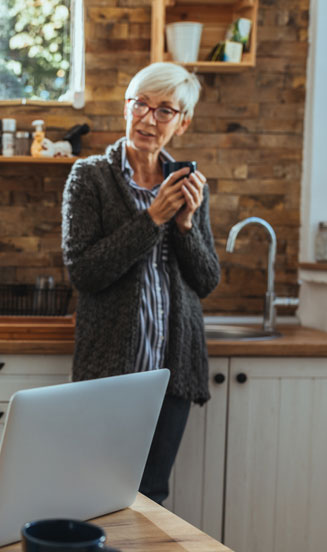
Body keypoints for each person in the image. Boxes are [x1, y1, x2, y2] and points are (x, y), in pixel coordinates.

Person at [61, 62, 220, 504]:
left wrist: (186, 224)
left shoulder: (188, 185)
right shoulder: (89, 177)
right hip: (109, 372)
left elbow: (206, 281)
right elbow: (84, 271)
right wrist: (152, 218)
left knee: (151, 495)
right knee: (96, 492)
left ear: (183, 122)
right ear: (126, 107)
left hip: (172, 374)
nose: (149, 119)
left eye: (165, 110)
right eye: (141, 104)